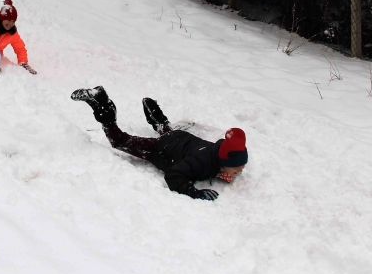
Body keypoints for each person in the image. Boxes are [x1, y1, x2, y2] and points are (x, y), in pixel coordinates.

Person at [70, 86, 247, 201]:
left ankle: (157, 118)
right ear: (224, 162)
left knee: (169, 133)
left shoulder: (218, 150)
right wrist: (193, 192)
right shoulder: (201, 162)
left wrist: (227, 170)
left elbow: (226, 159)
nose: (240, 171)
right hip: (161, 149)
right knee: (120, 141)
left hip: (179, 137)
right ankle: (103, 107)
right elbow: (173, 175)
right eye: (237, 168)